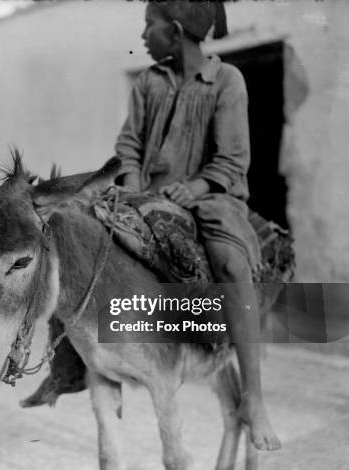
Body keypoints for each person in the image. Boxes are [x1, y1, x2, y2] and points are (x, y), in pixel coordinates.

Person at [25, 1, 281, 451]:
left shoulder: (227, 81)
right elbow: (129, 145)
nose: (143, 36)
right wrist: (137, 191)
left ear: (176, 30)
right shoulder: (148, 81)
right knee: (79, 243)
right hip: (146, 196)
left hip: (212, 198)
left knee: (231, 261)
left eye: (150, 26)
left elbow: (233, 157)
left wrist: (197, 188)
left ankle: (255, 400)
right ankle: (70, 366)